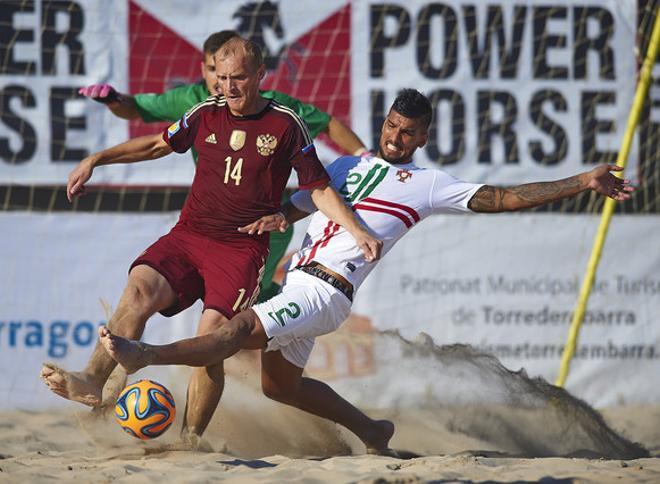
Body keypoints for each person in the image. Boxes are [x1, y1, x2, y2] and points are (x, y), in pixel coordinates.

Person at [95, 89, 634, 454]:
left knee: (230, 333)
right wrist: (273, 217)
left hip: (325, 291)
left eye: (408, 133)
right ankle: (373, 431)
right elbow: (301, 204)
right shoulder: (347, 166)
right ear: (385, 123)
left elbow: (503, 197)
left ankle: (146, 355)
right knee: (279, 388)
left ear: (422, 138)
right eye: (392, 127)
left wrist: (580, 181)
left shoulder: (426, 184)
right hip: (299, 281)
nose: (396, 139)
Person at [41, 38, 382, 444]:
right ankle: (93, 380)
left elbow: (319, 188)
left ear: (259, 76)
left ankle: (190, 440)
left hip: (240, 249)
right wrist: (96, 159)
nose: (228, 87)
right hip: (190, 234)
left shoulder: (286, 123)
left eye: (238, 78)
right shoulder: (204, 112)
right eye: (221, 78)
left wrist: (357, 229)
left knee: (211, 341)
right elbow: (154, 145)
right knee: (138, 291)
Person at [79, 30, 369, 302]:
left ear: (256, 75)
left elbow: (327, 127)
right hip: (212, 224)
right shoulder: (194, 102)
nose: (223, 84)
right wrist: (113, 102)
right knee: (177, 298)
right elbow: (140, 116)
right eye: (214, 71)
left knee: (247, 308)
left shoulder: (278, 111)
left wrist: (362, 153)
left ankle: (276, 327)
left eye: (237, 76)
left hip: (264, 225)